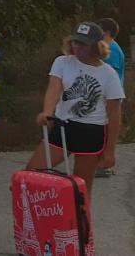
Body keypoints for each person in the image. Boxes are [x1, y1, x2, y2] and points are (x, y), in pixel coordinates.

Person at [26, 21, 125, 194]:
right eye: (75, 42)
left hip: (91, 131)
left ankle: (80, 220)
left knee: (81, 189)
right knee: (31, 174)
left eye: (83, 44)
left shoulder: (108, 74)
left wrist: (110, 151)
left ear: (95, 46)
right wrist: (47, 112)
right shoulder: (62, 62)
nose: (77, 47)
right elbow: (54, 89)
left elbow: (114, 115)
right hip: (63, 125)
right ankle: (40, 216)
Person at [97, 17, 125, 177]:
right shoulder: (112, 47)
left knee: (106, 131)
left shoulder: (111, 49)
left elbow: (109, 73)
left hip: (110, 98)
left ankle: (102, 165)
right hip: (108, 97)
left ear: (106, 32)